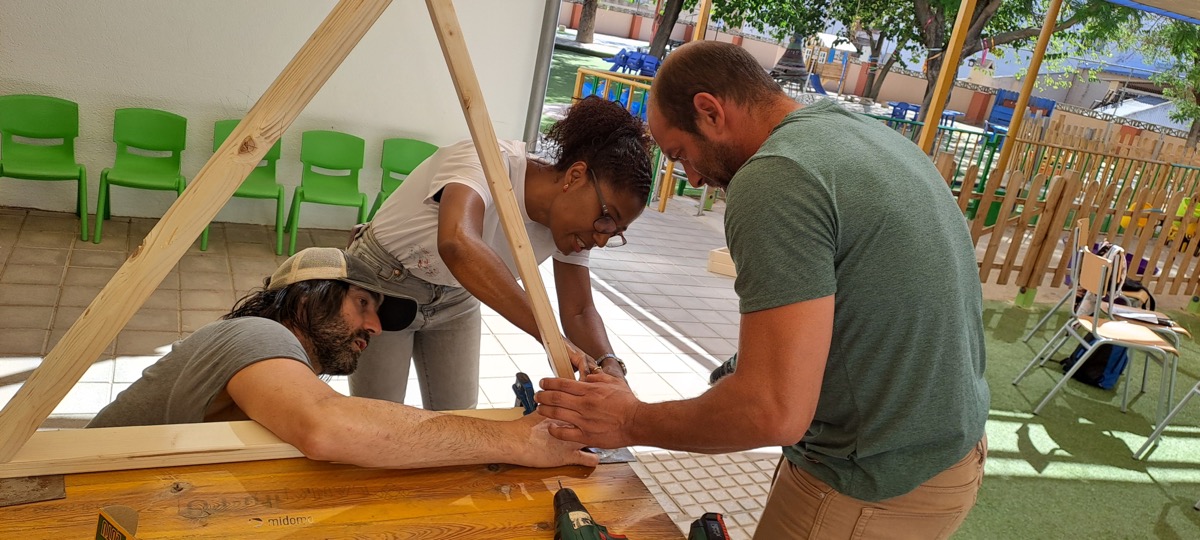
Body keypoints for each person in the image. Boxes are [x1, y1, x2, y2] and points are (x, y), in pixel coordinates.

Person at [536, 41, 989, 539]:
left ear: (709, 112)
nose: (692, 176)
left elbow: (772, 412)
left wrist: (629, 421)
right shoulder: (858, 134)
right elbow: (862, 309)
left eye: (680, 154)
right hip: (948, 455)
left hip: (872, 482)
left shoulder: (775, 177)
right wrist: (731, 376)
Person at [88, 247, 598, 470]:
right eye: (363, 304)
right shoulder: (255, 336)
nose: (374, 328)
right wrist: (514, 439)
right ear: (307, 297)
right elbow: (327, 428)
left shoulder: (273, 355)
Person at [347, 96, 652, 409]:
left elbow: (579, 311)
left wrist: (610, 365)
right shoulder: (488, 161)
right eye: (606, 218)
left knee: (460, 417)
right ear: (575, 176)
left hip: (456, 296)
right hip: (384, 285)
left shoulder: (572, 231)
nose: (601, 240)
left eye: (614, 233)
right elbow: (457, 243)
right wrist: (550, 336)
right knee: (378, 414)